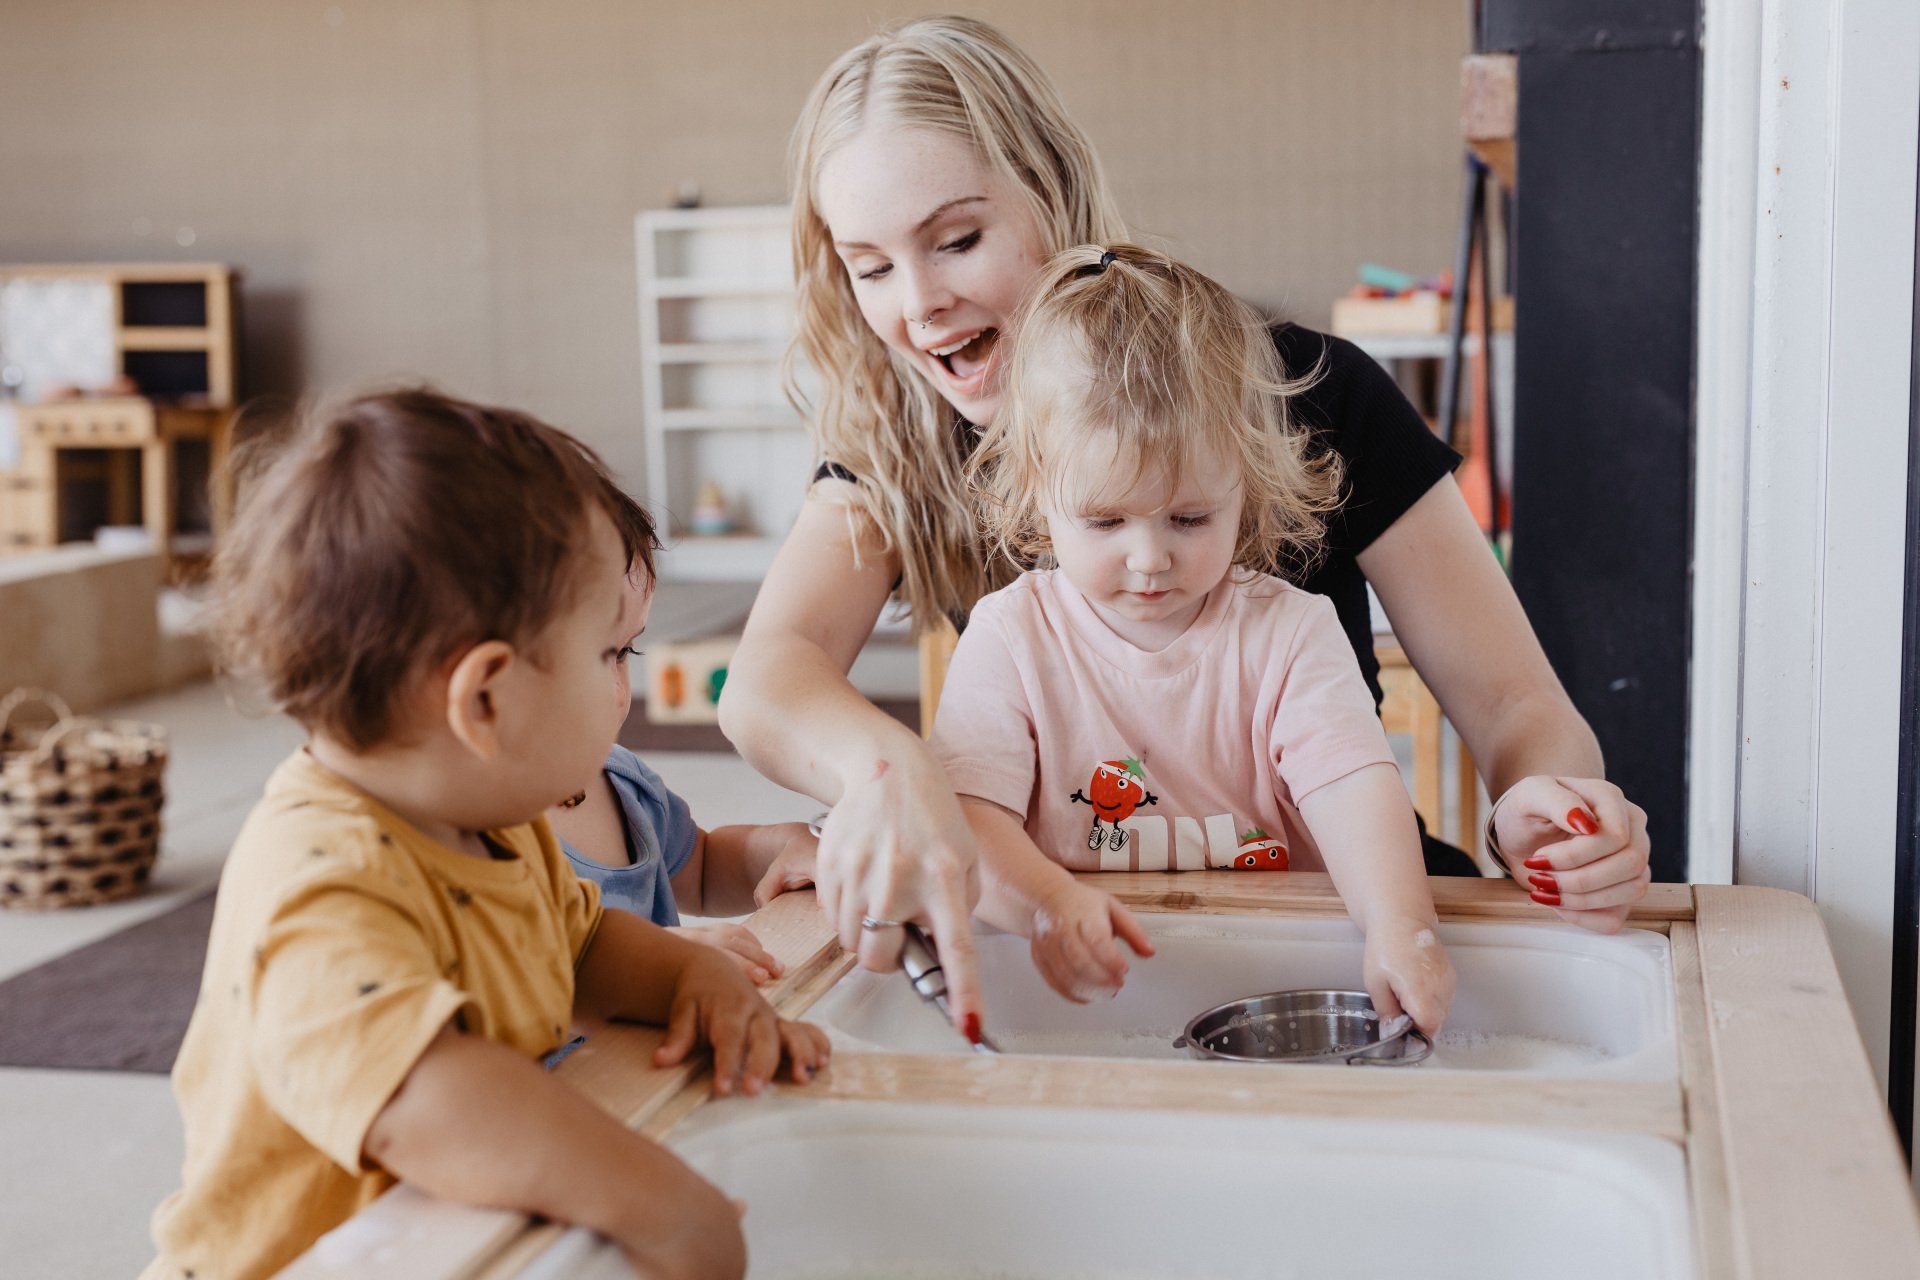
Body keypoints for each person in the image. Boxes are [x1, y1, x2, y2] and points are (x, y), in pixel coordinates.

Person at [721, 16, 1652, 1040]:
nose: (923, 305)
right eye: (872, 266)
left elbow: (1517, 703)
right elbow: (771, 675)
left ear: (1051, 192)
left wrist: (1552, 809)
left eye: (957, 241)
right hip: (1088, 953)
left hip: (1337, 925)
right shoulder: (897, 440)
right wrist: (885, 772)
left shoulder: (1308, 389)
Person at [145, 390, 827, 1280]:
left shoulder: (494, 824)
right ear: (486, 700)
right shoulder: (321, 879)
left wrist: (692, 972)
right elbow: (427, 1100)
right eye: (608, 655)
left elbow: (578, 945)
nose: (628, 681)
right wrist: (664, 1204)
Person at [932, 243, 1459, 1030]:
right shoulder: (1011, 638)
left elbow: (1352, 789)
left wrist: (1398, 923)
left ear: (1245, 482)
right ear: (1037, 492)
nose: (1150, 560)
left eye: (1189, 519)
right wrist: (1044, 904)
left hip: (1274, 972)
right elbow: (968, 820)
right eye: (1105, 520)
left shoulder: (1291, 632)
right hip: (1085, 978)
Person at [547, 743, 818, 986]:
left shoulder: (623, 776)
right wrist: (645, 959)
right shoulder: (505, 839)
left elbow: (702, 870)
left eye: (619, 681)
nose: (617, 689)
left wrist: (786, 848)